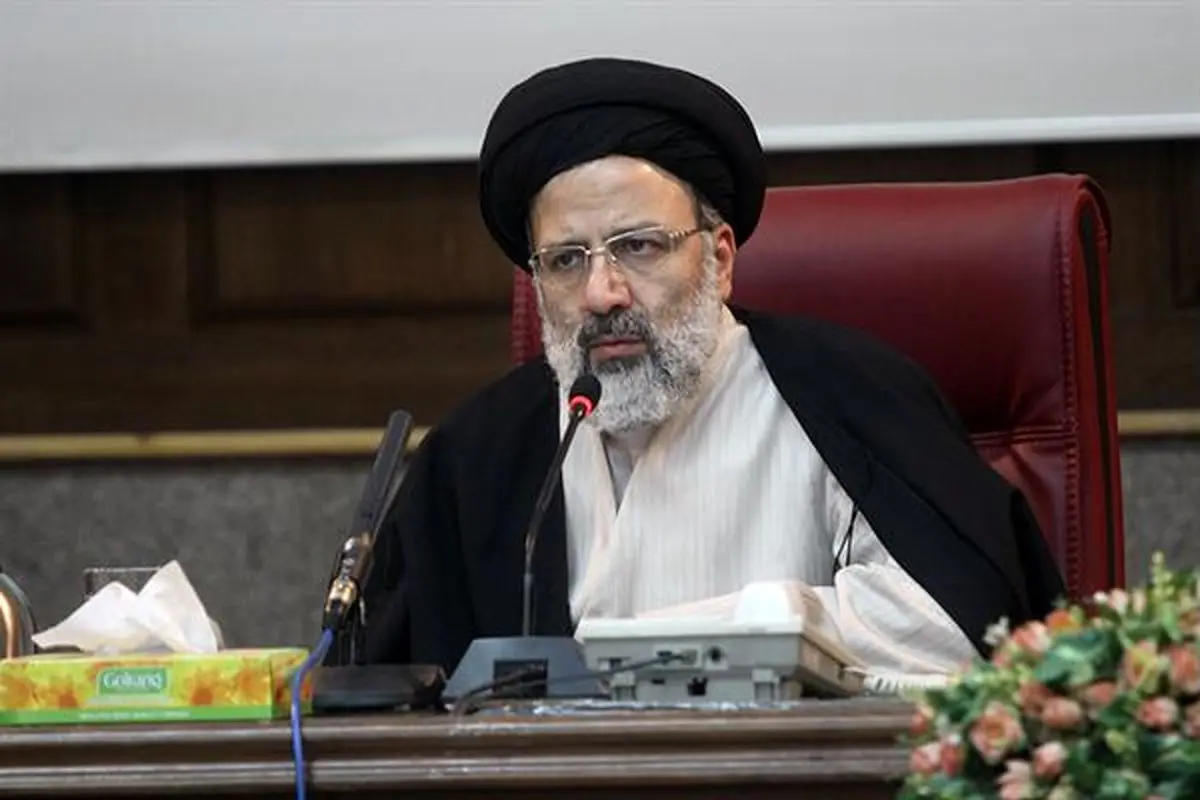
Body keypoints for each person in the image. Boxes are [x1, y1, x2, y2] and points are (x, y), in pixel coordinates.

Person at [360, 57, 1066, 678]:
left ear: (720, 259)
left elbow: (958, 632)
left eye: (638, 246)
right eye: (567, 260)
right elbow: (393, 692)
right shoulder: (477, 454)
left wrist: (744, 625)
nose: (603, 293)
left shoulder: (845, 399)